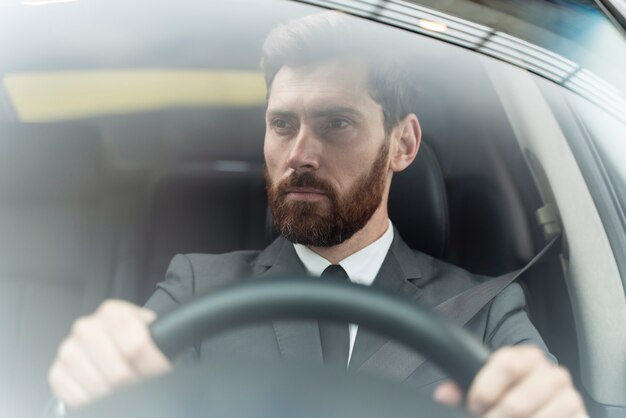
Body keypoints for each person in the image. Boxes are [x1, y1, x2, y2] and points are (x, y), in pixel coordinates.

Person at [47, 12, 587, 418]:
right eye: (282, 125)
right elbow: (120, 397)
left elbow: (532, 393)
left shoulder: (485, 310)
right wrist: (86, 388)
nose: (299, 153)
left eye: (336, 124)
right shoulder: (196, 287)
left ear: (403, 144)